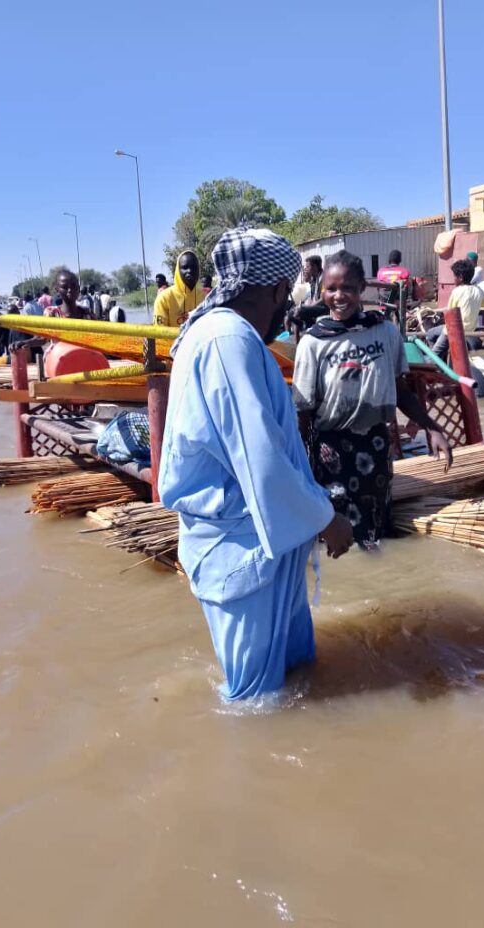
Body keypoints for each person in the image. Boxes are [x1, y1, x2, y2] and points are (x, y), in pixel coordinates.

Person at [159, 228, 353, 701]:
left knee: (299, 676)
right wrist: (327, 520)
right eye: (285, 293)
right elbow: (259, 457)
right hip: (241, 547)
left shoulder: (226, 335)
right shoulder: (227, 339)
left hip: (267, 538)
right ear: (273, 289)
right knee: (254, 703)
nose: (286, 306)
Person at [293, 250, 452, 550]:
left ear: (361, 289)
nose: (339, 296)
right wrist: (300, 463)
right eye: (331, 288)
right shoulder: (313, 343)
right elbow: (303, 411)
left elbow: (400, 390)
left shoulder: (385, 332)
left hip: (377, 447)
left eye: (348, 288)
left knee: (375, 529)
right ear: (322, 290)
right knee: (337, 533)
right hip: (331, 452)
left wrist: (431, 427)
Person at [426, 259, 484, 359]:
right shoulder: (479, 291)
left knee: (430, 335)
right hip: (470, 330)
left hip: (453, 330)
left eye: (454, 276)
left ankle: (437, 364)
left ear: (460, 278)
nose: (453, 279)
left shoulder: (457, 291)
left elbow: (450, 314)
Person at [153, 250, 204, 328]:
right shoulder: (164, 298)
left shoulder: (206, 298)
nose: (189, 271)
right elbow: (160, 336)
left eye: (194, 267)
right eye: (185, 267)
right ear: (178, 270)